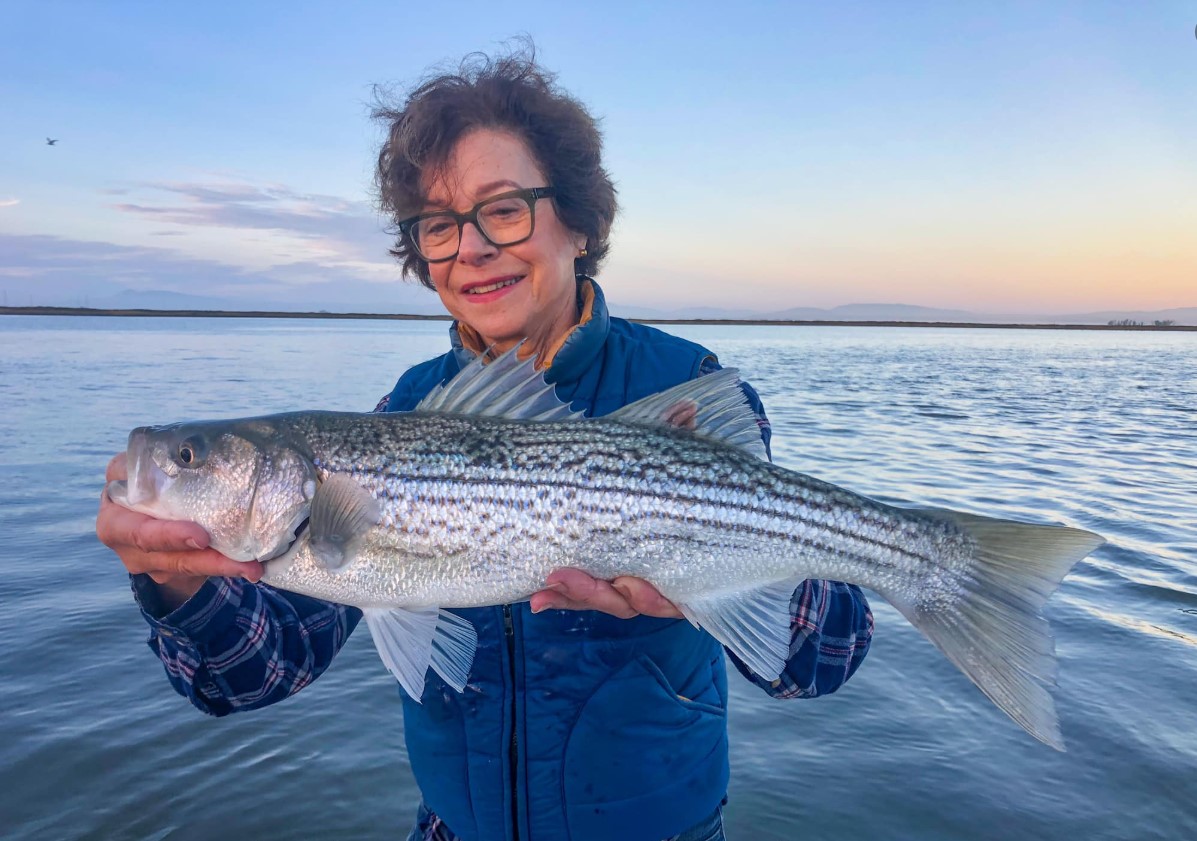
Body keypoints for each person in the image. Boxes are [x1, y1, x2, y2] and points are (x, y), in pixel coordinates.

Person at [96, 48, 874, 841]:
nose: (468, 248)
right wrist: (172, 580)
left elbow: (823, 657)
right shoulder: (400, 410)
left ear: (577, 222)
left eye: (503, 209)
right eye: (438, 225)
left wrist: (706, 581)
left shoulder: (688, 391)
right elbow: (260, 670)